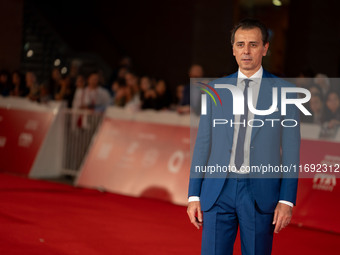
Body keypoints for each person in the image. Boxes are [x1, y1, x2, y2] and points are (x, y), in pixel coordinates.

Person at [187, 18, 300, 255]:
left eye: (253, 44)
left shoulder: (285, 92)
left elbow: (291, 152)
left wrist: (287, 200)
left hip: (260, 192)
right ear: (233, 49)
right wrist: (194, 193)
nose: (246, 51)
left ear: (265, 48)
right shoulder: (214, 90)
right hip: (218, 190)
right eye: (240, 44)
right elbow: (202, 145)